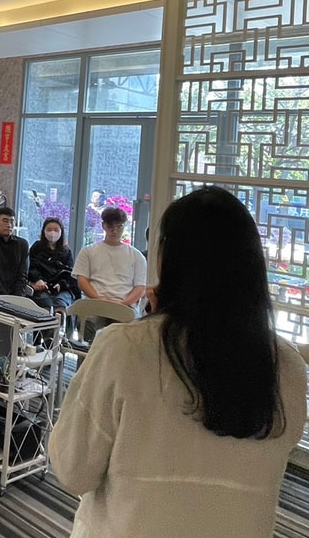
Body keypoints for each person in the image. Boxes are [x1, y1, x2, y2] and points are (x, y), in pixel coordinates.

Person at [50, 186, 307, 538]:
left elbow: (73, 469)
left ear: (168, 259)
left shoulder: (124, 348)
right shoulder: (288, 365)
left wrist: (150, 324)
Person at [72, 206, 146, 339]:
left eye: (119, 227)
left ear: (124, 226)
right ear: (103, 226)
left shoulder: (136, 255)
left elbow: (140, 288)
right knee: (86, 324)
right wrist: (98, 298)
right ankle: (87, 352)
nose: (115, 231)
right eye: (110, 227)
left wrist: (124, 303)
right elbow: (82, 281)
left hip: (124, 305)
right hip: (95, 303)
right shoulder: (88, 251)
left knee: (126, 331)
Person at [28, 217, 78, 315]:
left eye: (56, 230)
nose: (52, 233)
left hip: (61, 288)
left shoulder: (66, 251)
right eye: (49, 229)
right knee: (45, 303)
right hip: (41, 286)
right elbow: (30, 266)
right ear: (44, 231)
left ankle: (60, 322)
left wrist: (61, 284)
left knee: (61, 304)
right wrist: (37, 279)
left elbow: (70, 273)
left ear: (61, 232)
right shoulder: (37, 247)